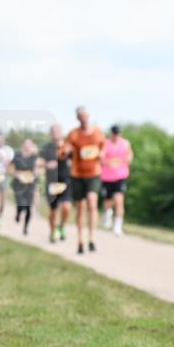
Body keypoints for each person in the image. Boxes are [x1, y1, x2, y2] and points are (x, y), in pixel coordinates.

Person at [62, 106, 105, 254]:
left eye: (85, 115)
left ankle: (92, 238)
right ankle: (80, 240)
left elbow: (104, 147)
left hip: (94, 172)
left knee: (92, 202)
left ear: (88, 116)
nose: (83, 118)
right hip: (77, 174)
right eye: (80, 116)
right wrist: (66, 151)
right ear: (77, 118)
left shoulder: (97, 132)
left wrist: (102, 154)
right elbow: (63, 150)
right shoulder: (73, 134)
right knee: (81, 207)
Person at [41, 124, 72, 243]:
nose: (56, 133)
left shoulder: (68, 147)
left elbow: (75, 159)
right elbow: (39, 161)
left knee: (66, 207)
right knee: (53, 211)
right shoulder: (46, 148)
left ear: (61, 132)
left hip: (66, 181)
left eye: (58, 130)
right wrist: (46, 165)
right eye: (53, 131)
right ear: (50, 133)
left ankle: (62, 226)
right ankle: (53, 232)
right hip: (52, 182)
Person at [100, 125, 133, 237]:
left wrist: (125, 160)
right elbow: (101, 157)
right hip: (107, 176)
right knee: (108, 201)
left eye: (118, 133)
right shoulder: (105, 143)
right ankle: (107, 213)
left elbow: (129, 156)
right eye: (114, 134)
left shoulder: (125, 143)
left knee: (119, 200)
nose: (116, 136)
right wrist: (108, 162)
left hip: (120, 176)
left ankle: (117, 227)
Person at [11, 139, 39, 236]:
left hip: (30, 183)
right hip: (18, 184)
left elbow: (38, 168)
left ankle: (25, 227)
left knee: (28, 208)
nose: (28, 146)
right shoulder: (17, 155)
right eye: (26, 144)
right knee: (21, 205)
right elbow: (9, 167)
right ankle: (18, 213)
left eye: (30, 145)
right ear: (22, 145)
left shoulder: (34, 157)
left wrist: (35, 174)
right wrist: (15, 173)